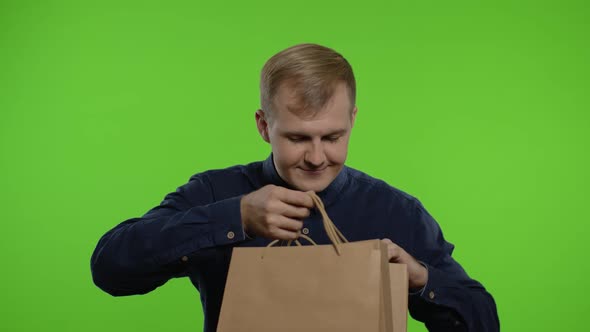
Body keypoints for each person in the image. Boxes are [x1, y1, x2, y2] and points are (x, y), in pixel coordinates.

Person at [91, 43, 499, 331]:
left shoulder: (395, 212)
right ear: (264, 126)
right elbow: (110, 267)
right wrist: (234, 218)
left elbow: (482, 321)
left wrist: (419, 278)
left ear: (353, 120)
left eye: (333, 137)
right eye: (299, 139)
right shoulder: (217, 192)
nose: (317, 157)